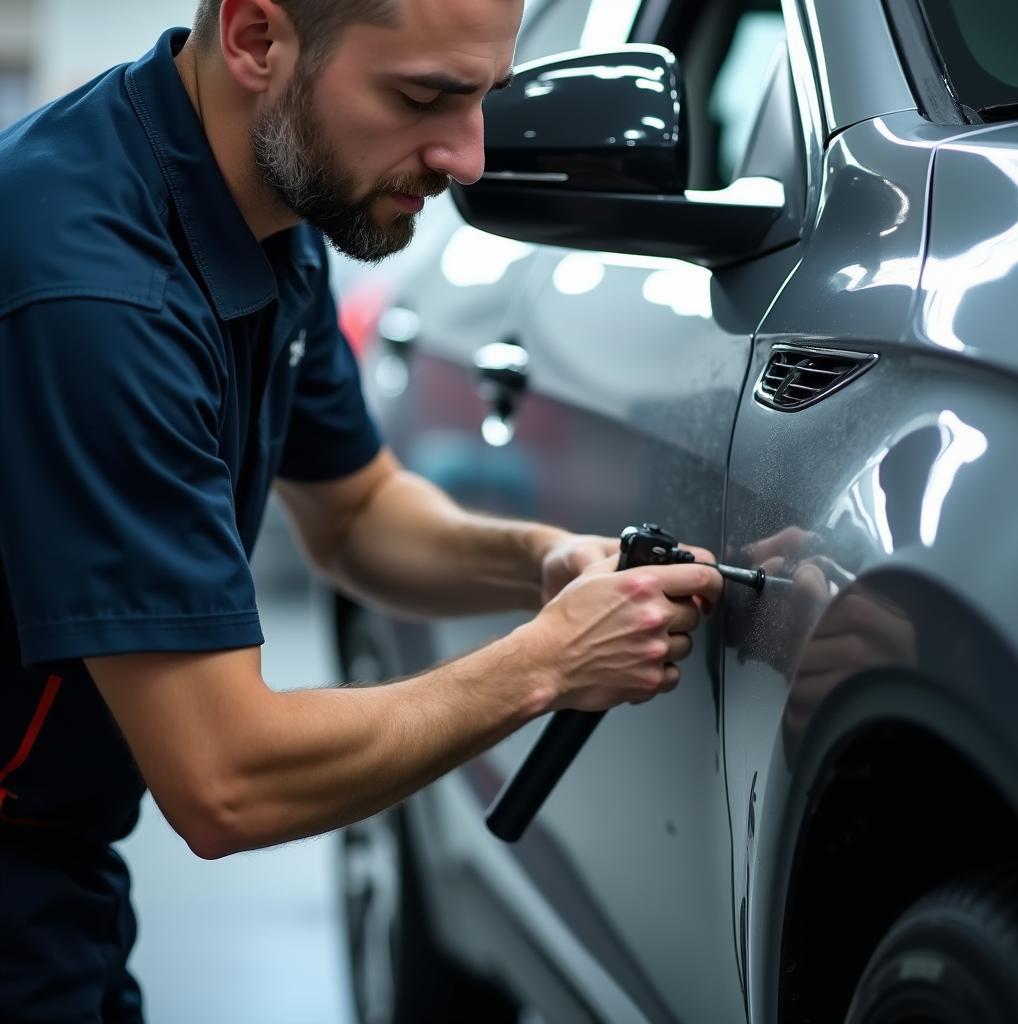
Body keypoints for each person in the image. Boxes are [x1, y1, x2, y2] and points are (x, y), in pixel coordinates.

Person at [0, 0, 723, 1019]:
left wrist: (545, 559)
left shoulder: (263, 200)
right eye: (423, 97)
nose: (467, 156)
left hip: (54, 857)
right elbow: (224, 778)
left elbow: (358, 513)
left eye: (483, 99)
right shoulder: (96, 295)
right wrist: (546, 662)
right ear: (257, 39)